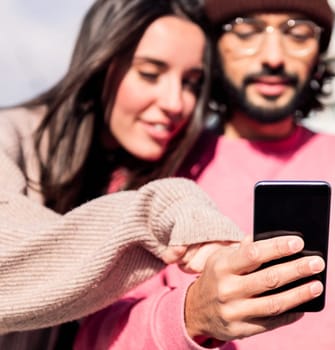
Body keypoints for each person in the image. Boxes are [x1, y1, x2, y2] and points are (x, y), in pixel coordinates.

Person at [74, 0, 335, 349]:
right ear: (213, 46)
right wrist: (192, 315)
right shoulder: (155, 167)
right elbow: (97, 336)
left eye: (298, 32)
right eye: (246, 29)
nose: (273, 56)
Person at [0, 0, 248, 348]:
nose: (176, 102)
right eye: (150, 73)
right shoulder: (8, 137)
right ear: (100, 64)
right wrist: (163, 211)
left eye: (192, 83)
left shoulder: (126, 164)